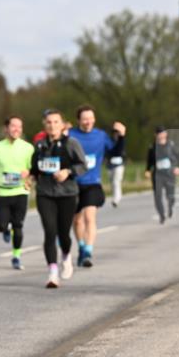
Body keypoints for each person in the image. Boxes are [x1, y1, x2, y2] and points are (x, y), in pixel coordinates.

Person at [30, 109, 87, 288]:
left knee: (64, 233)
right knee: (50, 231)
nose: (52, 125)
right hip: (45, 194)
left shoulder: (72, 143)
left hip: (67, 194)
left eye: (56, 122)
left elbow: (83, 165)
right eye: (49, 122)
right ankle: (53, 273)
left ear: (62, 125)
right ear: (44, 125)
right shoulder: (40, 145)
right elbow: (35, 168)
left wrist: (68, 172)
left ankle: (66, 256)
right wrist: (30, 178)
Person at [68, 105, 126, 267]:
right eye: (84, 119)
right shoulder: (71, 135)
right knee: (77, 221)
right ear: (78, 120)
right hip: (73, 183)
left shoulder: (100, 136)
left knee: (89, 216)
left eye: (91, 118)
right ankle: (81, 246)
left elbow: (115, 152)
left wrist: (122, 136)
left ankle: (88, 251)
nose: (88, 122)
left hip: (92, 183)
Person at [0, 116, 34, 270]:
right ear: (6, 128)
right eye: (13, 126)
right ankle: (5, 230)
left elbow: (34, 168)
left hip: (21, 191)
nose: (17, 129)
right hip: (3, 192)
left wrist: (29, 173)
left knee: (18, 225)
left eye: (19, 126)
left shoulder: (28, 148)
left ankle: (16, 256)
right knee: (0, 225)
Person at [145, 126, 179, 224]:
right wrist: (147, 170)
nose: (161, 135)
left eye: (162, 133)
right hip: (157, 175)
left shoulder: (171, 145)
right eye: (158, 134)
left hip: (169, 173)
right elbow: (149, 161)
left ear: (166, 134)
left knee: (170, 195)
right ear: (155, 135)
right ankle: (161, 215)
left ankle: (171, 206)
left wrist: (178, 167)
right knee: (157, 196)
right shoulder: (152, 147)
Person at [107, 124, 127, 208]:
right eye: (115, 133)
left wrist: (121, 137)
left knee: (116, 181)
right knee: (112, 182)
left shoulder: (121, 141)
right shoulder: (109, 142)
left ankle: (117, 198)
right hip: (111, 165)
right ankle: (115, 196)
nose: (116, 135)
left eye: (117, 133)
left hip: (119, 165)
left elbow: (119, 151)